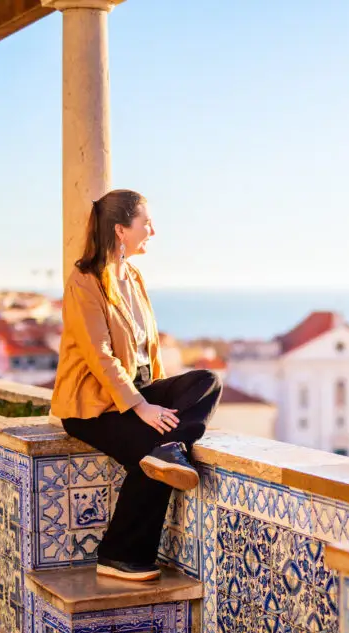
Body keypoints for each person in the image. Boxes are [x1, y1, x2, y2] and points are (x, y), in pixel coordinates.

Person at [51, 189, 222, 581]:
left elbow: (148, 348)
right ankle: (117, 555)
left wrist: (154, 396)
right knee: (152, 457)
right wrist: (141, 408)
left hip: (141, 389)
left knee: (206, 381)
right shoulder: (85, 280)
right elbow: (100, 354)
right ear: (120, 230)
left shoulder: (134, 277)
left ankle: (172, 446)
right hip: (93, 406)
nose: (153, 231)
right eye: (146, 223)